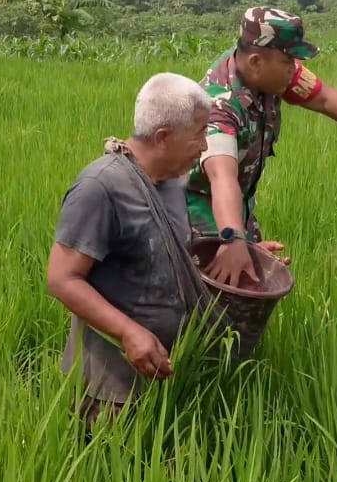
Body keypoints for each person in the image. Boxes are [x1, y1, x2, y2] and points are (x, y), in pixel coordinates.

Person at [185, 6, 337, 288]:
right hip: (199, 214)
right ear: (255, 61)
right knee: (212, 298)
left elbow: (325, 99)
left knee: (248, 283)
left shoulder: (268, 72)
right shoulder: (220, 105)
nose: (295, 69)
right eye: (288, 60)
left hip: (237, 207)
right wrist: (234, 239)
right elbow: (221, 176)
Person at [46, 72, 219, 430]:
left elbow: (168, 250)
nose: (205, 146)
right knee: (115, 477)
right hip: (112, 389)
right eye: (200, 133)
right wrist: (129, 333)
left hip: (167, 372)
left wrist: (237, 251)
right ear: (163, 137)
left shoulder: (172, 181)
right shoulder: (100, 188)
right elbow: (62, 278)